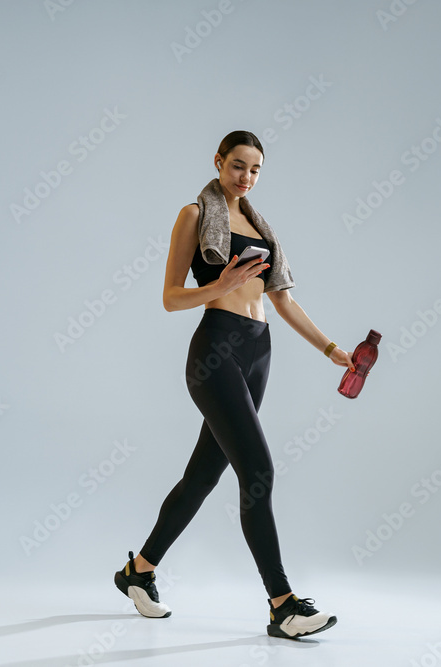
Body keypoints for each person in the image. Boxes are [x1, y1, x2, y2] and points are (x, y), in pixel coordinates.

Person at [114, 130, 353, 639]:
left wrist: (334, 351)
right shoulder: (195, 215)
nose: (246, 177)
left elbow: (283, 299)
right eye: (238, 165)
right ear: (218, 161)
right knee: (258, 470)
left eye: (256, 170)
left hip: (257, 351)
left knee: (204, 476)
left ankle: (140, 569)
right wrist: (219, 286)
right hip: (215, 351)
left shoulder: (260, 226)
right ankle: (282, 604)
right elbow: (170, 298)